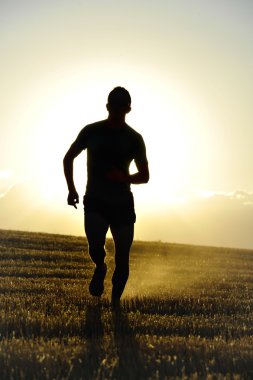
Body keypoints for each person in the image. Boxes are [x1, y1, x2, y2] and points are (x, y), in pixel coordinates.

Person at [63, 86, 149, 306]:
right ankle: (100, 267)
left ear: (128, 109)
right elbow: (68, 158)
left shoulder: (134, 139)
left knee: (122, 258)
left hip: (122, 204)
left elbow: (145, 176)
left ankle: (114, 304)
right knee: (95, 246)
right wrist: (71, 189)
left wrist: (123, 179)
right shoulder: (91, 131)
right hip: (95, 201)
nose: (118, 111)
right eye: (114, 106)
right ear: (107, 106)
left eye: (122, 107)